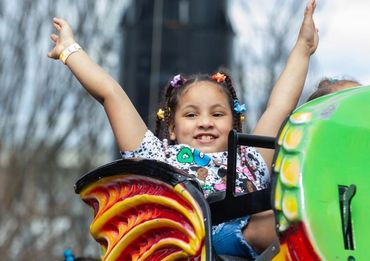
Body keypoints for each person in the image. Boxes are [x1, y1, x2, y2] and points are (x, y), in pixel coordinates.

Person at [47, 0, 318, 258]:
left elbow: (280, 107)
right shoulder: (158, 156)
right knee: (275, 226)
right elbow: (111, 94)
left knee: (296, 217)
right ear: (172, 128)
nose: (205, 121)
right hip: (194, 239)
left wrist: (303, 48)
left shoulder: (250, 158)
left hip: (255, 234)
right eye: (191, 114)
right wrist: (70, 50)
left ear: (233, 123)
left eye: (217, 113)